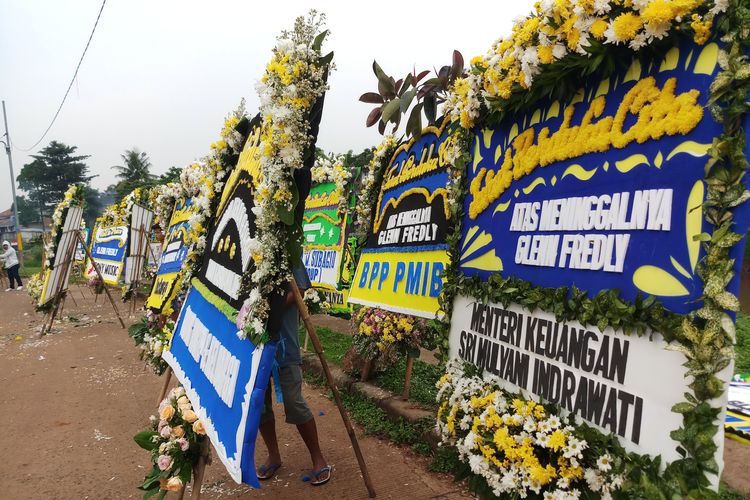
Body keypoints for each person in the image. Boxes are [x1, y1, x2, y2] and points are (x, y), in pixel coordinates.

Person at [256, 263, 332, 486]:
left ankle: (318, 458)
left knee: (293, 400)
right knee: (259, 403)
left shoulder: (286, 247)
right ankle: (274, 455)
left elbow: (299, 289)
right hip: (254, 344)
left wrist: (268, 308)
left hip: (284, 342)